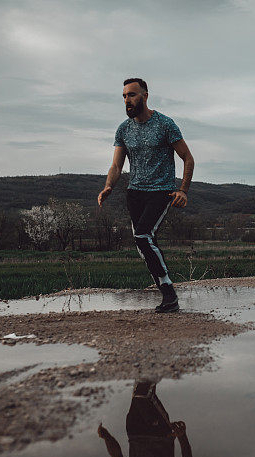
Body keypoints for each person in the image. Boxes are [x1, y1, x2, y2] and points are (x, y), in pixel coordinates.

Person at [98, 77, 195, 313]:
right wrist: (108, 185)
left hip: (161, 191)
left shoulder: (165, 124)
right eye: (124, 96)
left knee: (142, 236)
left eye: (131, 95)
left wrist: (183, 190)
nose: (127, 100)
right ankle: (166, 293)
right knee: (144, 244)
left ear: (145, 96)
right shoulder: (124, 129)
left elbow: (188, 158)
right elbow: (116, 166)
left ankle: (169, 293)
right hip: (134, 193)